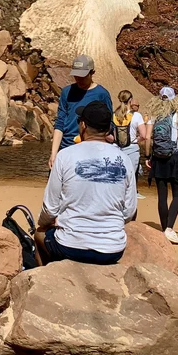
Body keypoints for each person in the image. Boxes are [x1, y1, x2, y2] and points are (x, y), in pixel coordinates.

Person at [37, 98, 137, 263]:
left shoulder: (65, 156)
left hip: (70, 246)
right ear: (108, 129)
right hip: (113, 249)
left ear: (82, 125)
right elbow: (129, 210)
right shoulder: (124, 159)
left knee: (39, 234)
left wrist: (44, 224)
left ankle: (44, 279)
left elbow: (50, 208)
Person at [146, 87, 178, 245]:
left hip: (159, 158)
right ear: (174, 99)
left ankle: (163, 228)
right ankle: (169, 228)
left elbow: (147, 137)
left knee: (162, 196)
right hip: (176, 158)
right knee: (177, 195)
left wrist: (148, 156)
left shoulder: (154, 115)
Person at [49, 55, 112, 168]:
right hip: (66, 146)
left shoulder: (102, 94)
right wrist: (54, 153)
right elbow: (60, 123)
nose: (79, 79)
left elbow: (109, 124)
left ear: (92, 72)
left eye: (83, 76)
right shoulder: (66, 92)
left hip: (91, 150)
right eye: (76, 76)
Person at [113, 90, 143, 183]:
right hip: (132, 148)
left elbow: (110, 135)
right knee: (130, 179)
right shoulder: (137, 115)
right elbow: (144, 135)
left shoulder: (114, 115)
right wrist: (135, 139)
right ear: (130, 100)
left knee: (117, 179)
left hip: (116, 148)